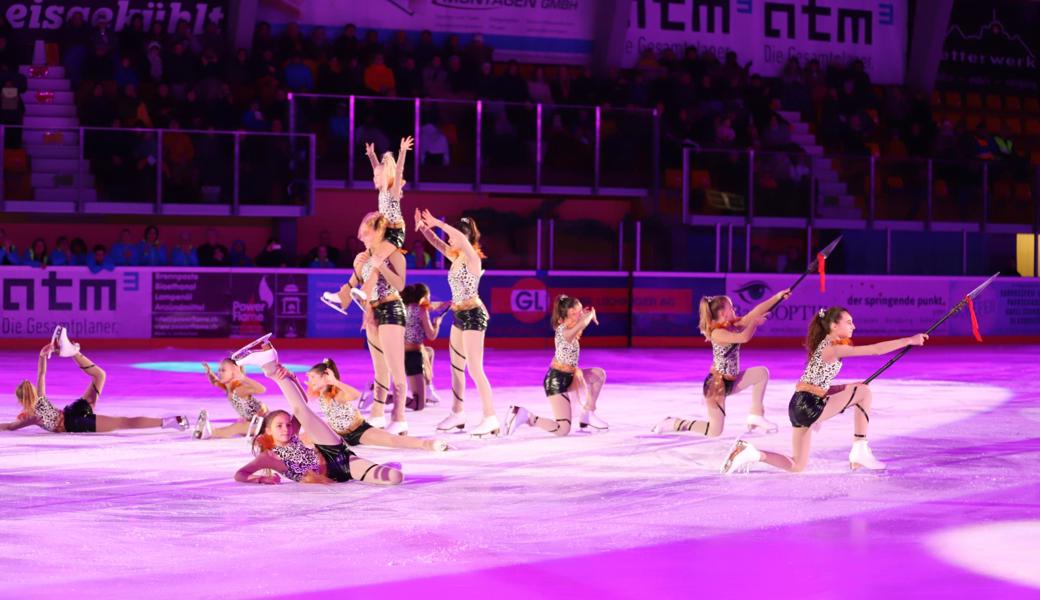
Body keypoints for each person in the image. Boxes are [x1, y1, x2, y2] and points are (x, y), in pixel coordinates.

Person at [721, 307, 928, 474]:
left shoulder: (824, 346)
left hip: (799, 404)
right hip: (810, 404)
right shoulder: (832, 347)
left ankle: (752, 453)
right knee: (864, 392)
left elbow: (816, 384)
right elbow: (874, 349)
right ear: (833, 325)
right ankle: (860, 450)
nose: (853, 326)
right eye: (848, 322)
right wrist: (909, 340)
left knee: (797, 465)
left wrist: (842, 388)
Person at [230, 334, 403, 486]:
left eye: (288, 424)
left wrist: (292, 378)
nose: (287, 428)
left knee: (395, 477)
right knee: (395, 477)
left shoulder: (292, 435)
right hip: (340, 474)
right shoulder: (267, 457)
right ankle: (270, 362)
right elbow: (240, 474)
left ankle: (271, 368)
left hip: (336, 454)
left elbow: (302, 407)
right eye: (280, 426)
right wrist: (260, 479)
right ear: (268, 431)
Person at [652, 290, 789, 437]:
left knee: (761, 373)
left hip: (731, 380)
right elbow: (744, 337)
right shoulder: (717, 333)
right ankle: (675, 423)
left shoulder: (733, 324)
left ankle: (756, 415)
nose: (734, 310)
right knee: (714, 431)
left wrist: (777, 297)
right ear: (723, 313)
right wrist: (754, 323)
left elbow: (755, 312)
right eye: (731, 308)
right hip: (716, 387)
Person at [1, 327, 188, 434]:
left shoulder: (32, 416)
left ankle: (169, 422)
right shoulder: (40, 400)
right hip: (73, 410)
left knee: (122, 422)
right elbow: (42, 374)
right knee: (100, 375)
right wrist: (42, 355)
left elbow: (10, 427)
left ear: (21, 400)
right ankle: (74, 353)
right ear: (32, 391)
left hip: (74, 422)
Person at [417, 210, 499, 438]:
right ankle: (457, 413)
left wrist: (437, 222)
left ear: (464, 238)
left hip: (473, 315)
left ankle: (490, 417)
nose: (450, 241)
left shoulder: (473, 258)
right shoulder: (456, 258)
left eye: (454, 237)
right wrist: (424, 228)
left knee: (475, 368)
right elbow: (436, 242)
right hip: (459, 315)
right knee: (456, 367)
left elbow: (459, 239)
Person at [504, 294, 609, 437]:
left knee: (599, 374)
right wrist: (589, 316)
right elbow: (582, 323)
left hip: (571, 376)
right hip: (556, 381)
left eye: (579, 312)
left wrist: (586, 313)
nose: (579, 316)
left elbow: (581, 322)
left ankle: (588, 414)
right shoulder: (563, 331)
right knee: (563, 429)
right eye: (575, 313)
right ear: (565, 317)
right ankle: (526, 416)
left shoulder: (572, 326)